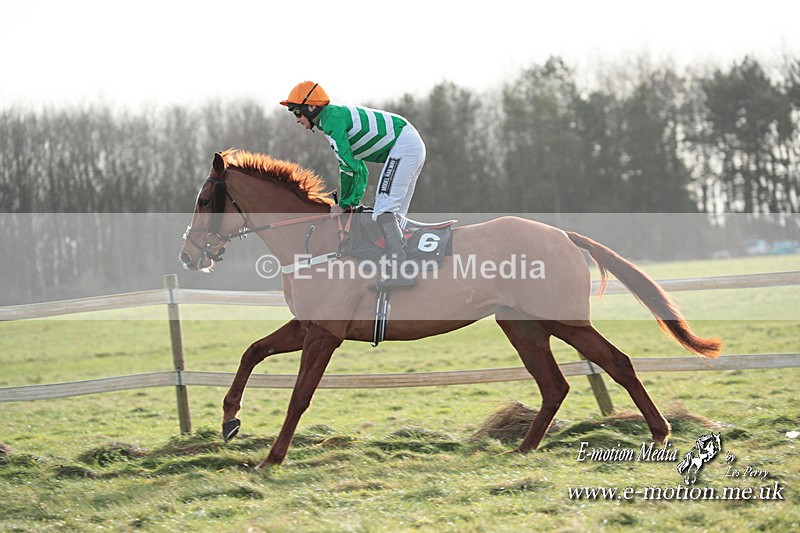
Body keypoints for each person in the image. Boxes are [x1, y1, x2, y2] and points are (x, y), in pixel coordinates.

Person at [280, 81, 426, 290]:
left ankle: (400, 272)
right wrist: (349, 202)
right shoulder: (330, 119)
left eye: (296, 112)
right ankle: (404, 267)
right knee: (394, 215)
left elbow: (352, 168)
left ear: (311, 107)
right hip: (408, 143)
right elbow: (355, 167)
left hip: (404, 145)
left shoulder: (331, 121)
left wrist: (347, 203)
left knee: (384, 209)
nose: (296, 120)